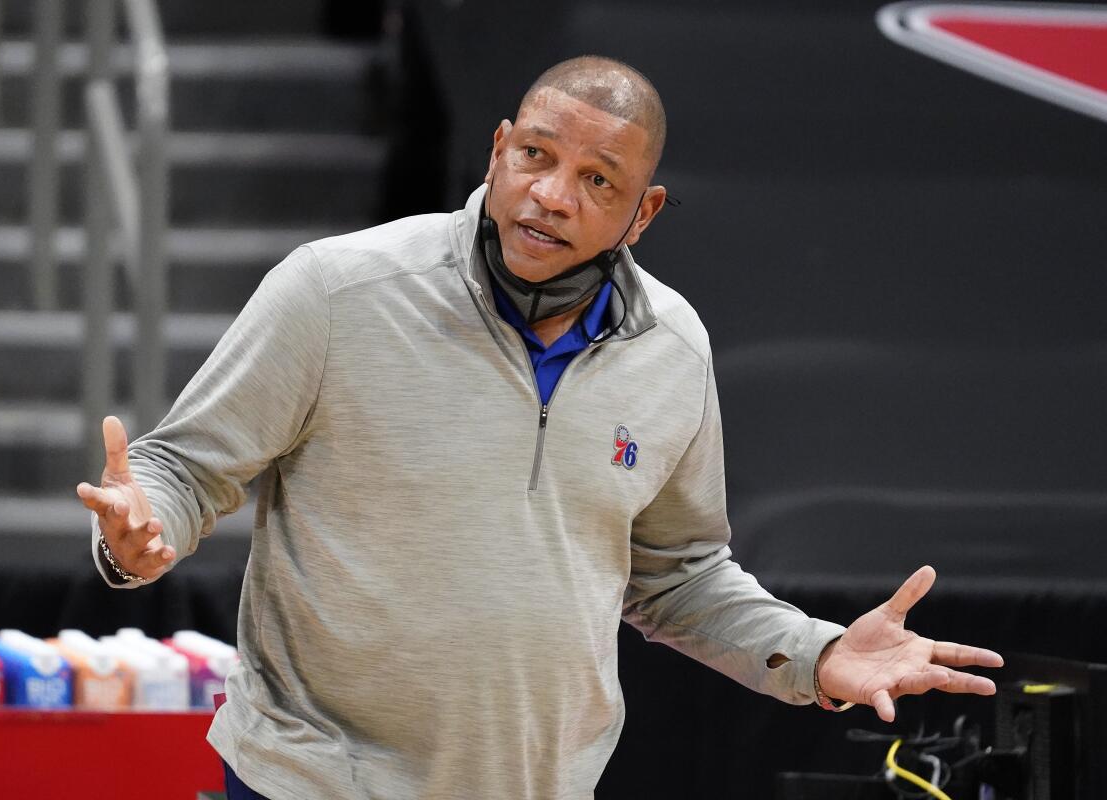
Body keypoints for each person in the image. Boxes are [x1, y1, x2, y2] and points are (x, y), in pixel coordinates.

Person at [76, 55, 1002, 799]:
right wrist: (141, 526)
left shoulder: (673, 349)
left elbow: (677, 577)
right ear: (496, 151)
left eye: (597, 180)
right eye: (537, 156)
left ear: (644, 214)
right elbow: (181, 467)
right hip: (315, 778)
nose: (553, 195)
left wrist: (818, 652)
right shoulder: (338, 291)